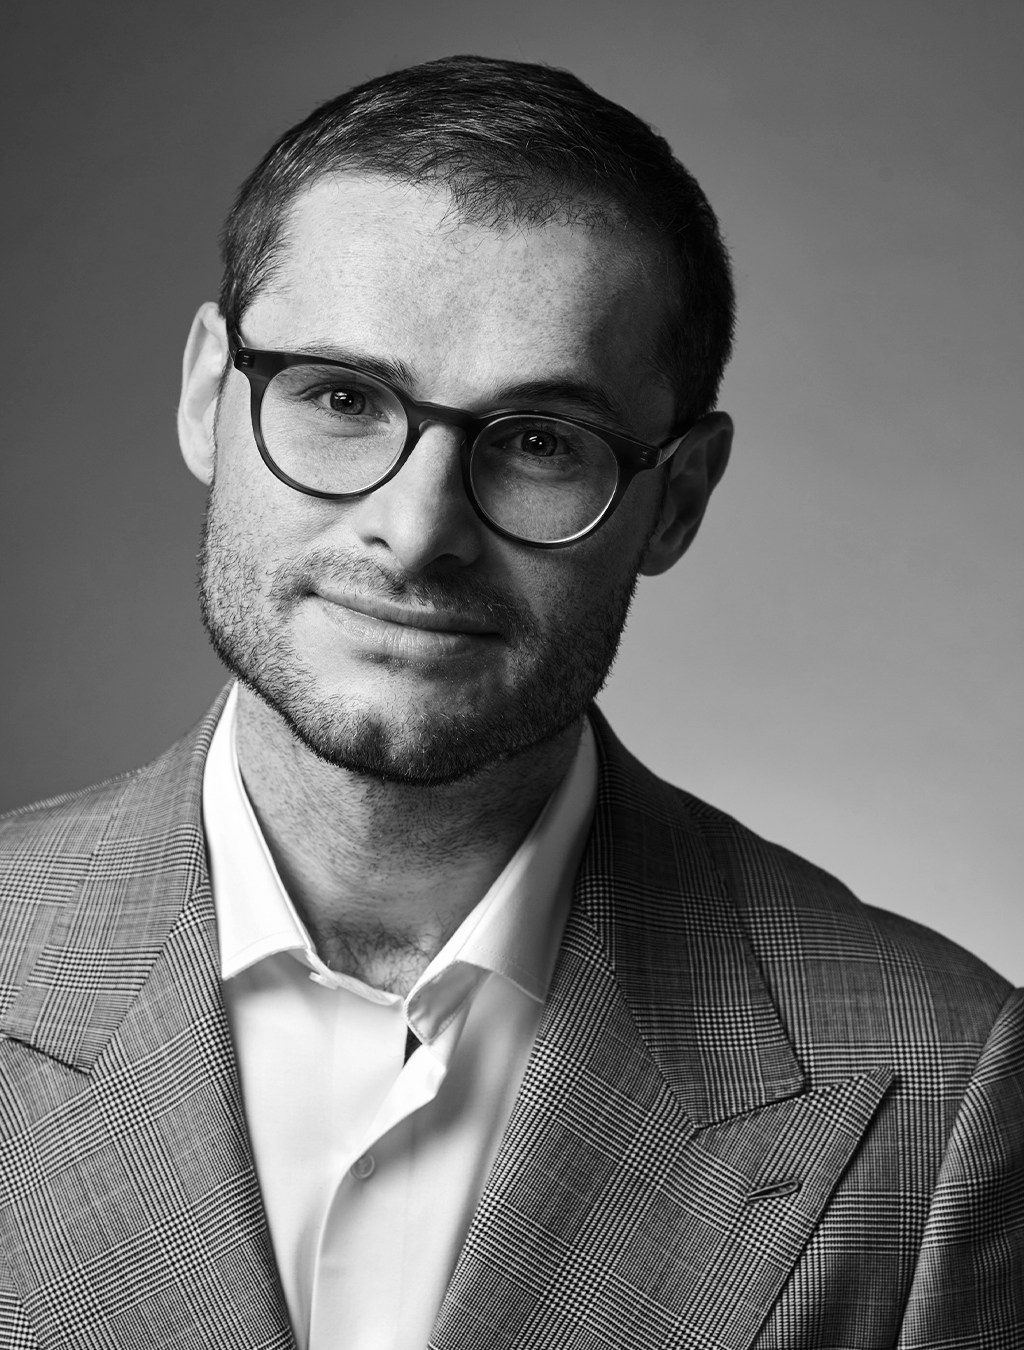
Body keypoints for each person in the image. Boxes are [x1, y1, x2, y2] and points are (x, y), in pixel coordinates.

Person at [0, 53, 1020, 1350]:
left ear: (679, 500)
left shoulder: (945, 1088)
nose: (416, 530)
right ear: (209, 396)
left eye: (540, 442)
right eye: (341, 398)